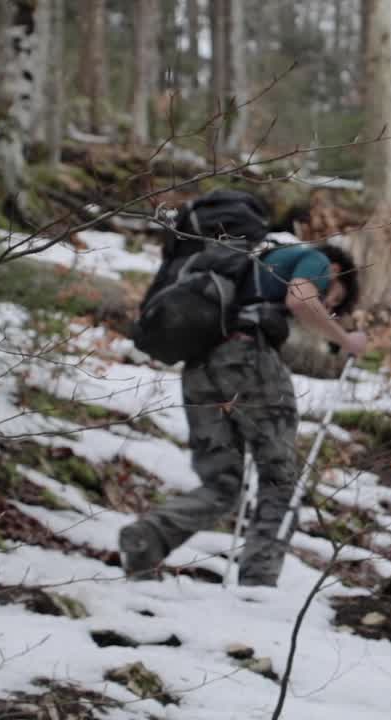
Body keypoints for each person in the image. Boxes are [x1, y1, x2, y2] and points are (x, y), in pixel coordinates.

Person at [119, 241, 368, 586]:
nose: (329, 303)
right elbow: (300, 298)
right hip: (249, 360)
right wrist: (345, 339)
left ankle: (147, 538)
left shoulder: (254, 271)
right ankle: (258, 582)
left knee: (222, 486)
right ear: (338, 272)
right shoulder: (317, 261)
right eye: (335, 298)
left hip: (200, 369)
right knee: (280, 478)